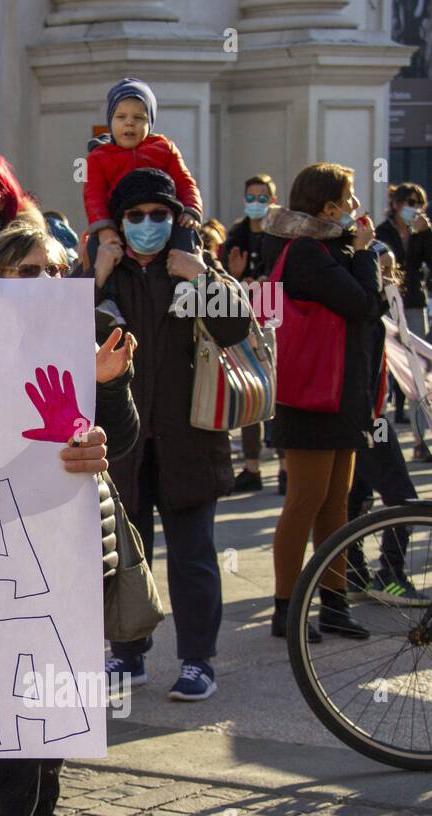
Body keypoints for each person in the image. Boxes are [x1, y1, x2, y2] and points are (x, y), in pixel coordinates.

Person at [0, 219, 136, 816]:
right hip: (8, 545)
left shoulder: (86, 334)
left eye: (53, 268)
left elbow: (119, 440)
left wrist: (106, 385)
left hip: (77, 541)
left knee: (61, 693)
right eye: (27, 271)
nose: (45, 281)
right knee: (18, 698)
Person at [98, 168, 251, 701]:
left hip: (189, 441)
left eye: (158, 215)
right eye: (135, 217)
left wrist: (202, 276)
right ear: (118, 223)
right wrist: (94, 275)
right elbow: (62, 327)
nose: (147, 225)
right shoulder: (106, 276)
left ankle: (197, 661)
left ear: (176, 218)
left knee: (193, 556)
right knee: (124, 555)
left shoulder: (192, 269)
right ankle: (128, 653)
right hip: (123, 443)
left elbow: (236, 328)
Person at [263, 162, 381, 642]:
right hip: (309, 397)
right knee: (304, 501)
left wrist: (354, 251)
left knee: (336, 505)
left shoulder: (325, 246)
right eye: (349, 198)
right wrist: (364, 252)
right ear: (329, 207)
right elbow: (361, 304)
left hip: (339, 396)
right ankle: (286, 608)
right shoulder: (308, 250)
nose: (355, 206)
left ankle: (334, 603)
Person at [345, 244, 428, 605]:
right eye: (382, 269)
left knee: (357, 495)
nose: (390, 277)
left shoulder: (373, 312)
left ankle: (354, 573)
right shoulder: (364, 316)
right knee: (402, 497)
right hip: (369, 422)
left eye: (393, 269)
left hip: (361, 419)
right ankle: (390, 576)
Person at [85, 78, 203, 323]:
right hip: (115, 228)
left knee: (186, 236)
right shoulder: (99, 157)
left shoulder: (164, 149)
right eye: (121, 117)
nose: (129, 123)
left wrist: (191, 210)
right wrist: (105, 229)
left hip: (168, 232)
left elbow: (184, 181)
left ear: (151, 121)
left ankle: (183, 290)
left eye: (139, 118)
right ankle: (108, 301)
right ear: (110, 121)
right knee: (98, 249)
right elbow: (93, 195)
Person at [223, 174, 279, 493]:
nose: (255, 203)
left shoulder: (280, 235)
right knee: (250, 390)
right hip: (242, 315)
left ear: (272, 199)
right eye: (251, 196)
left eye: (262, 197)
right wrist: (237, 276)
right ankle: (251, 467)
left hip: (273, 315)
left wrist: (267, 282)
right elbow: (222, 277)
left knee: (276, 390)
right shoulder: (237, 234)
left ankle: (285, 466)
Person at [375, 182, 432, 459]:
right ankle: (380, 442)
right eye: (410, 202)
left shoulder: (423, 232)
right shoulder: (382, 232)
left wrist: (425, 235)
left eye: (420, 203)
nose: (416, 208)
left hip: (414, 304)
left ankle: (421, 442)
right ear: (396, 204)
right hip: (388, 305)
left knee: (417, 371)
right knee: (383, 370)